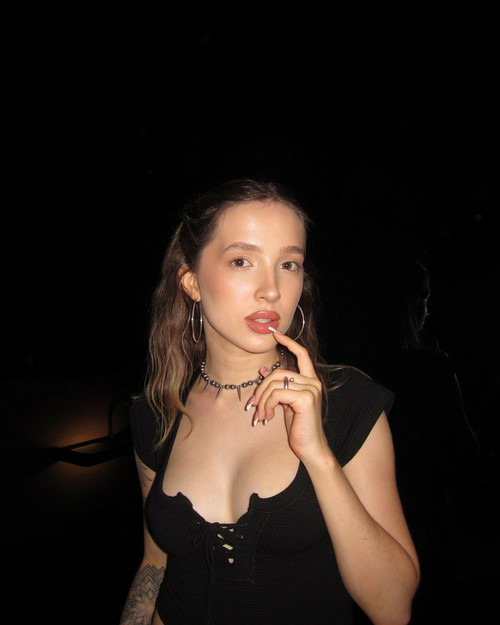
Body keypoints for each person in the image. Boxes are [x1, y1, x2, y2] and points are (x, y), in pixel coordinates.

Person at [120, 179, 420, 625]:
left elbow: (392, 608)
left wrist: (318, 456)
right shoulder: (156, 413)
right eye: (242, 261)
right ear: (191, 281)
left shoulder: (346, 401)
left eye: (289, 264)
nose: (272, 290)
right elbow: (154, 565)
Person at [327, 246, 482, 623]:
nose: (429, 308)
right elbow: (464, 456)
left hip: (372, 514)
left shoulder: (351, 368)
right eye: (424, 297)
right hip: (420, 514)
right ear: (407, 302)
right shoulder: (427, 371)